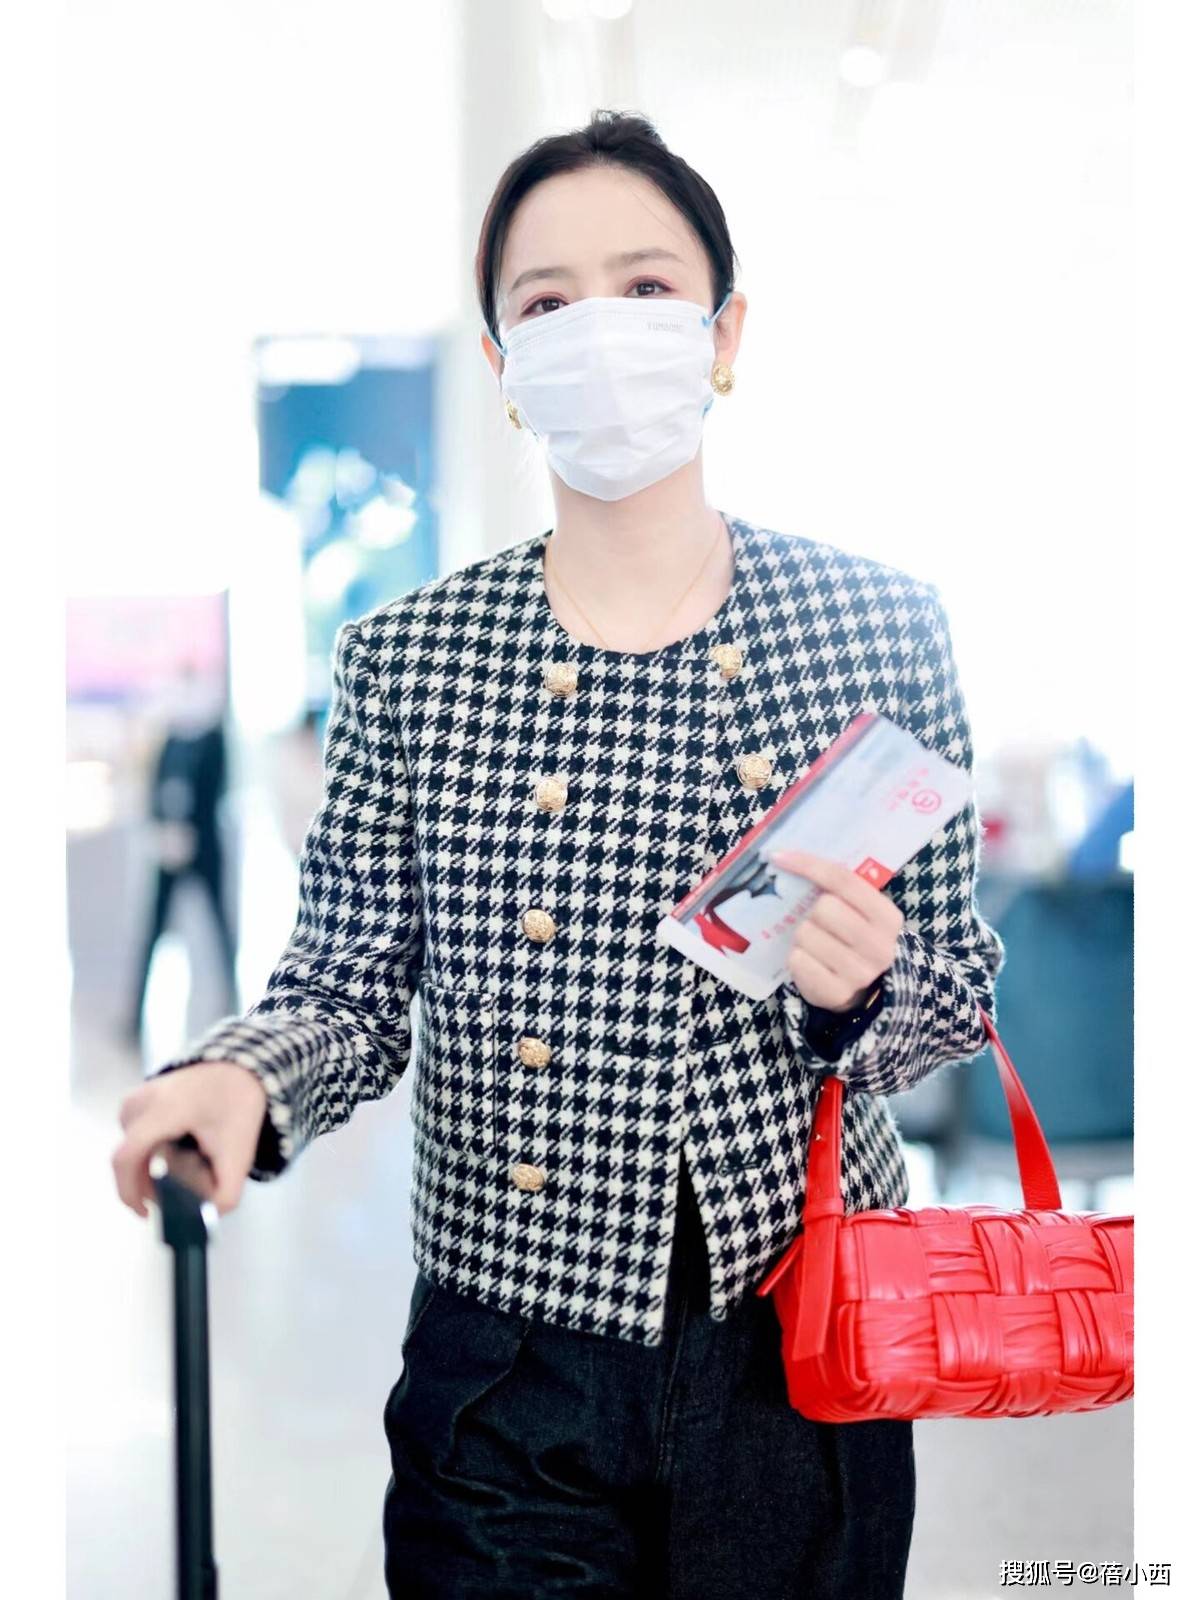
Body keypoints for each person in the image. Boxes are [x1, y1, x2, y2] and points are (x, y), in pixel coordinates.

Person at [112, 110, 1006, 1598]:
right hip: (507, 1372)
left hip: (803, 1342)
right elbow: (346, 985)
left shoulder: (880, 624)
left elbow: (959, 990)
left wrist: (863, 989)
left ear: (725, 335)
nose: (599, 329)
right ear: (503, 367)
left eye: (647, 288)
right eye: (547, 301)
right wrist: (243, 1075)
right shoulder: (409, 657)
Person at [123, 661, 239, 1044]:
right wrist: (162, 830)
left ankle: (233, 1000)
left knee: (219, 925)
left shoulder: (212, 738)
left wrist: (191, 832)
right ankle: (134, 1015)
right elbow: (156, 787)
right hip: (168, 847)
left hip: (204, 846)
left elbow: (216, 790)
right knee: (153, 929)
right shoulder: (171, 737)